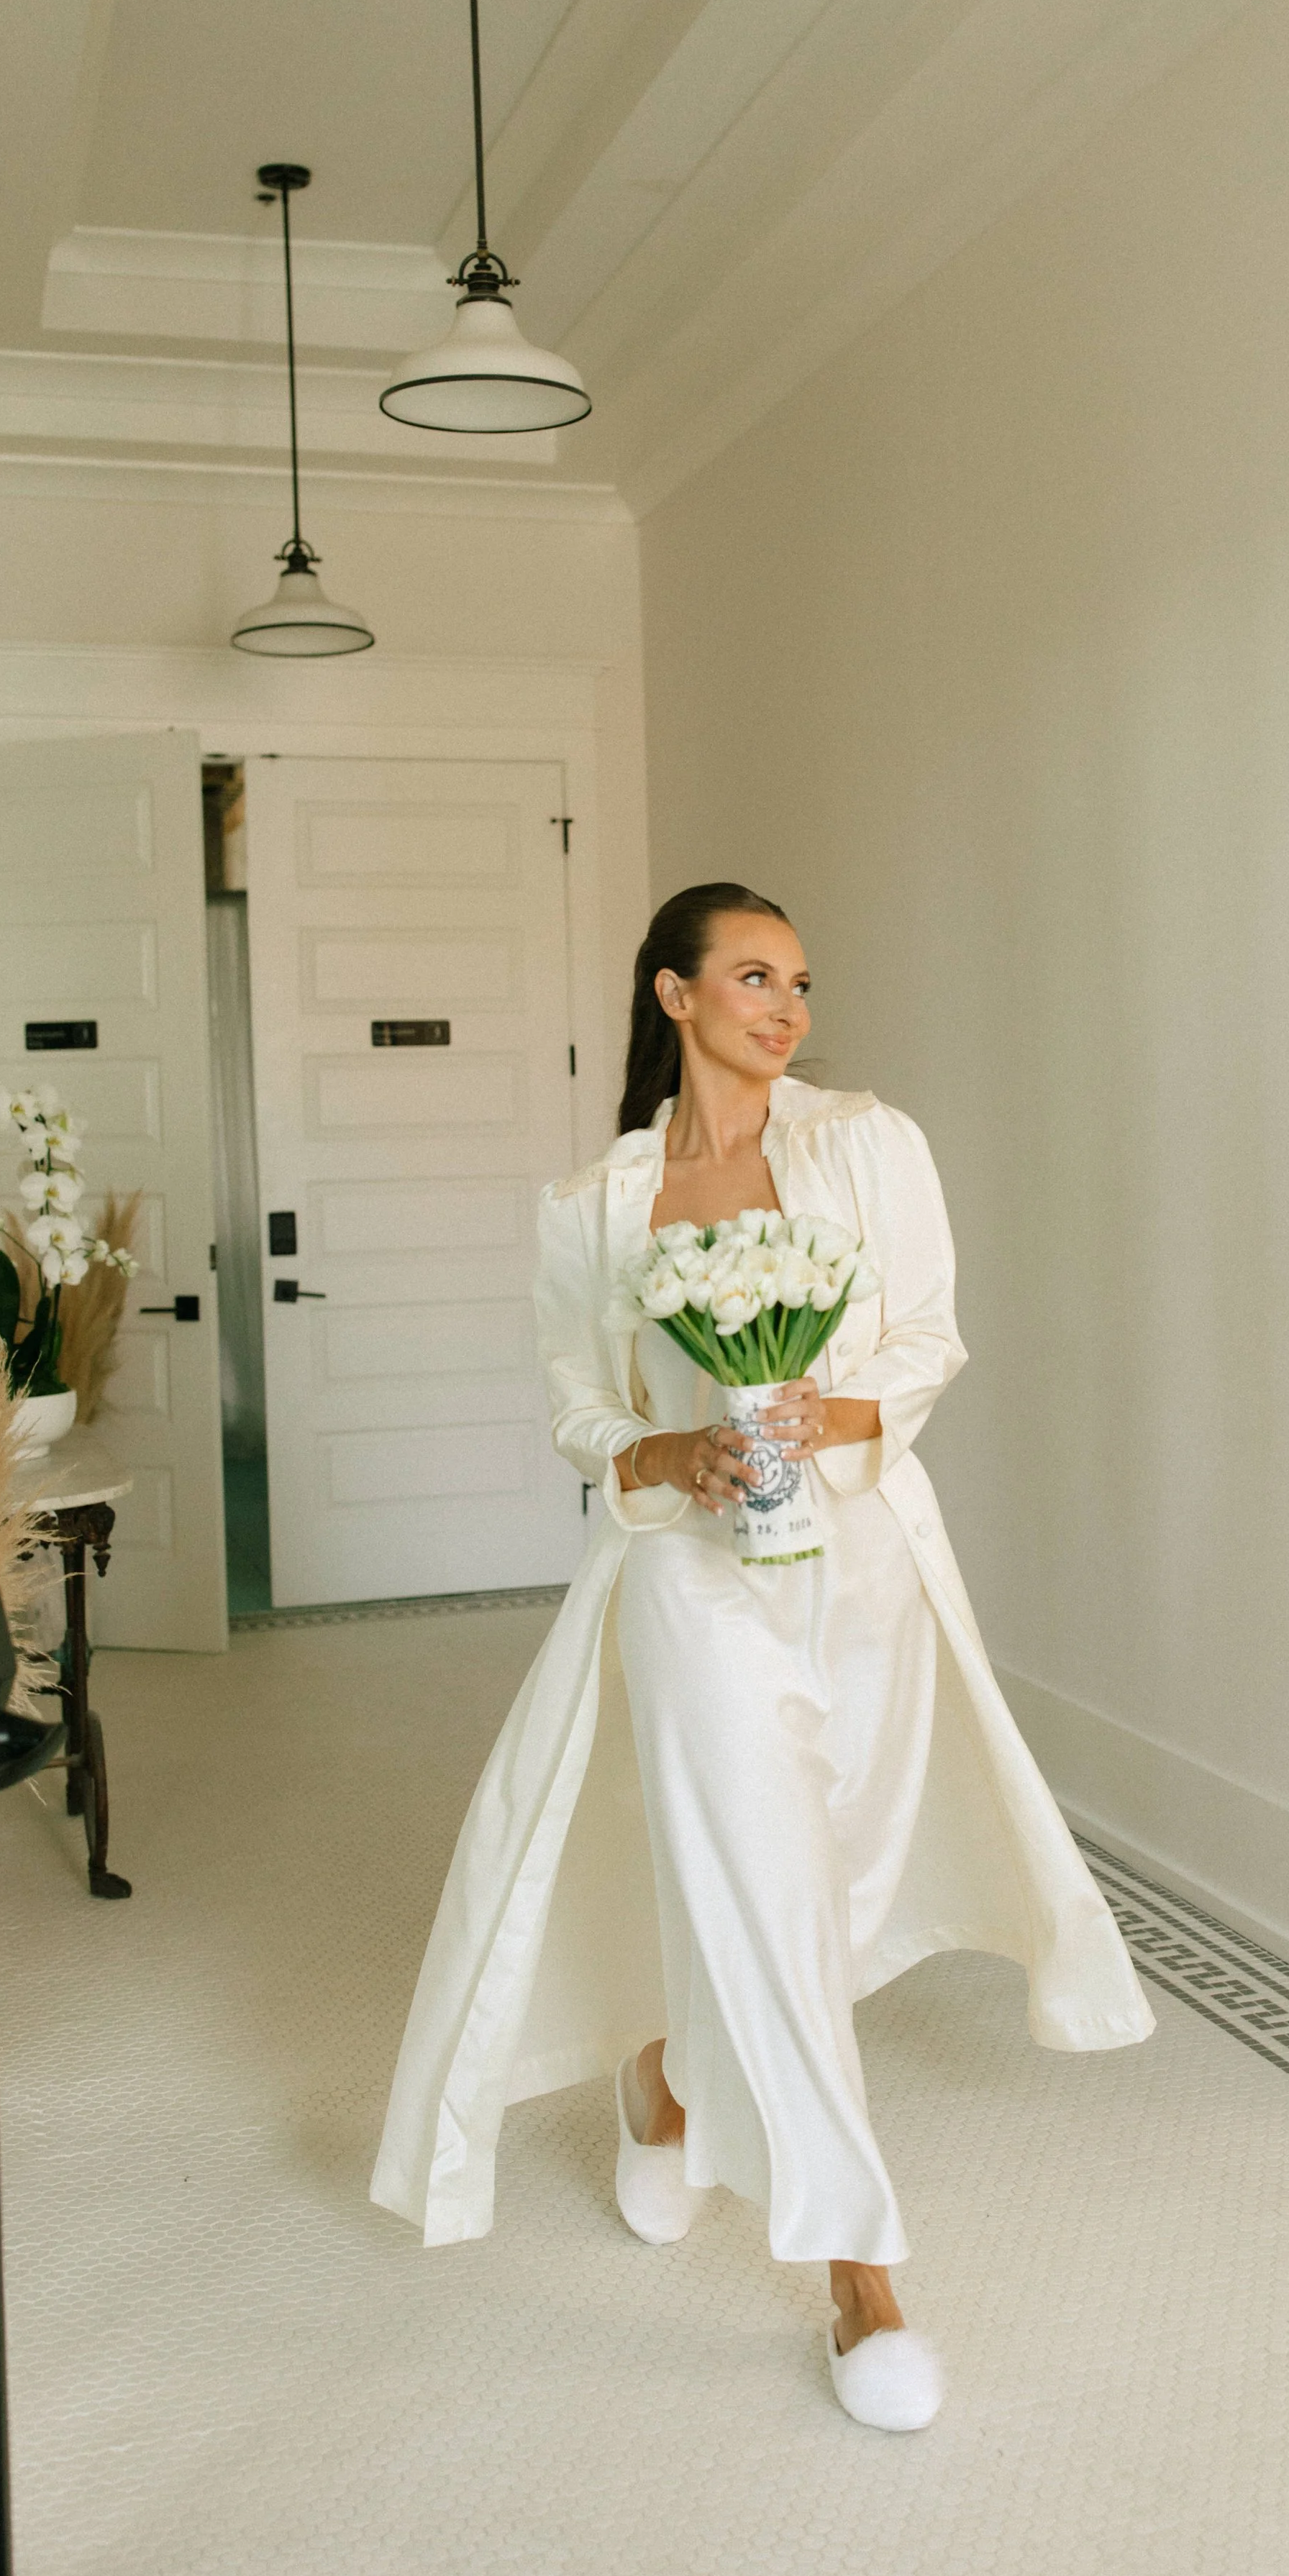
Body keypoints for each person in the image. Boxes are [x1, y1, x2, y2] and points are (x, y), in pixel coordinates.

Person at [371, 882, 1154, 2430]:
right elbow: (576, 1413)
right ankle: (864, 2280)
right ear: (672, 996)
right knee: (766, 1887)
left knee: (836, 1872)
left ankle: (660, 2077)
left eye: (798, 980)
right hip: (682, 1576)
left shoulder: (865, 1141)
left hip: (856, 1569)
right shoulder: (589, 1204)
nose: (783, 1005)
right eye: (748, 976)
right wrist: (669, 1448)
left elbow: (926, 1337)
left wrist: (823, 1416)